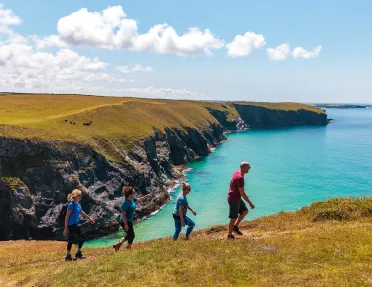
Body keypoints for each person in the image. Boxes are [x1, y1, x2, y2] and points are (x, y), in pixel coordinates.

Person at [113, 186, 152, 251]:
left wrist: (147, 196)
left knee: (130, 235)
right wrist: (125, 224)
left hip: (129, 220)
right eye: (133, 192)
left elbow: (139, 200)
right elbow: (123, 214)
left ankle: (123, 246)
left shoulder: (131, 199)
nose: (134, 193)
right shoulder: (125, 203)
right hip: (124, 221)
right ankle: (122, 246)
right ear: (130, 194)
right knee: (131, 235)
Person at [63, 189, 95, 261]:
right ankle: (69, 255)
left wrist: (89, 218)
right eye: (79, 195)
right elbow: (67, 217)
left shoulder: (78, 203)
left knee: (81, 237)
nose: (81, 196)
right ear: (75, 196)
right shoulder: (71, 205)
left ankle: (77, 254)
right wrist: (65, 228)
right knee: (71, 240)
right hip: (71, 226)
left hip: (75, 225)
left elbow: (81, 212)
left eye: (81, 195)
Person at [227, 162, 255, 239]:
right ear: (243, 167)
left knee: (245, 211)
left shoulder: (237, 173)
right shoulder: (240, 177)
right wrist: (250, 203)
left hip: (237, 197)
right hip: (234, 199)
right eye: (248, 167)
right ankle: (229, 235)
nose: (249, 169)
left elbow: (232, 184)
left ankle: (235, 227)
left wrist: (236, 192)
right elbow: (242, 193)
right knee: (233, 217)